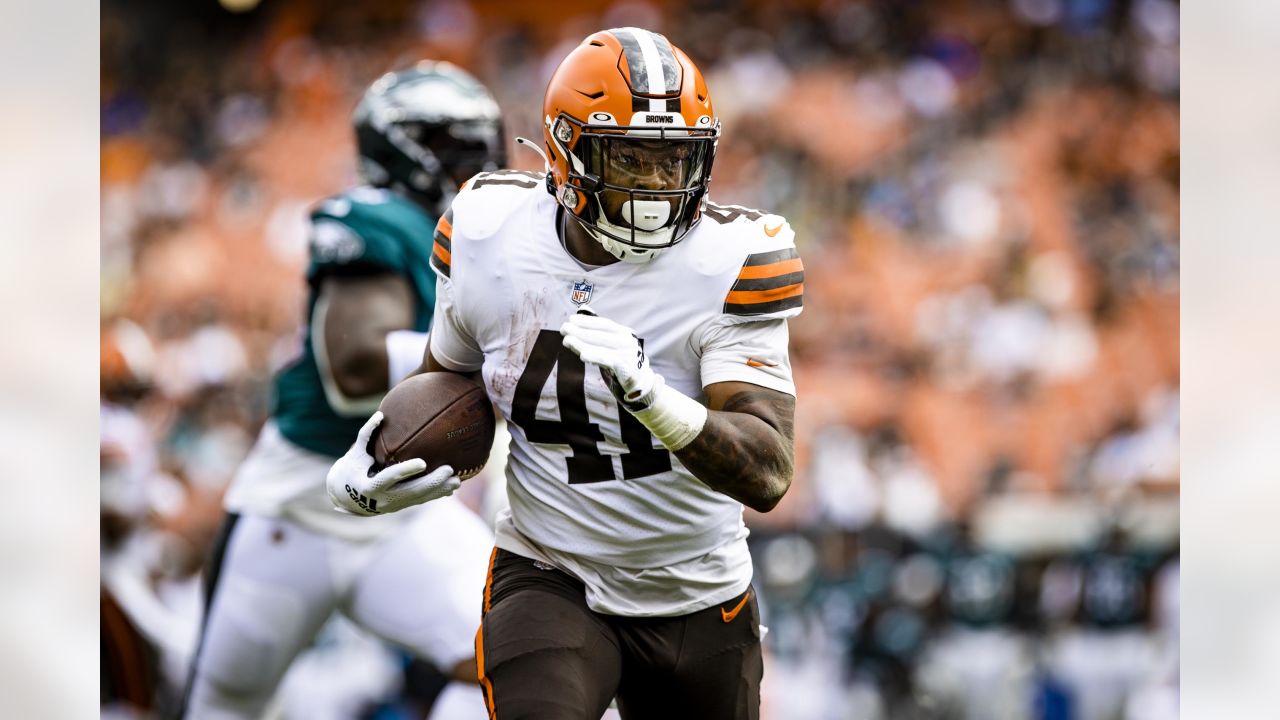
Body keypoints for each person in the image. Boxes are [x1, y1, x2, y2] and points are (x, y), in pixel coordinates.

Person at [328, 28, 805, 719]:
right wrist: (373, 458)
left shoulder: (731, 260)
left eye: (674, 162)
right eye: (632, 160)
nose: (656, 188)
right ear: (566, 152)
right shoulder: (491, 234)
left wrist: (651, 398)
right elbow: (450, 393)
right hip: (552, 572)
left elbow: (767, 472)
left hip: (699, 589)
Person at [181, 61, 506, 720]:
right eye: (456, 148)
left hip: (406, 514)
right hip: (299, 509)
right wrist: (501, 365)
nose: (476, 167)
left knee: (522, 661)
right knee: (222, 708)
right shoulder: (377, 219)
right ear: (403, 152)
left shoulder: (476, 244)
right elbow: (353, 364)